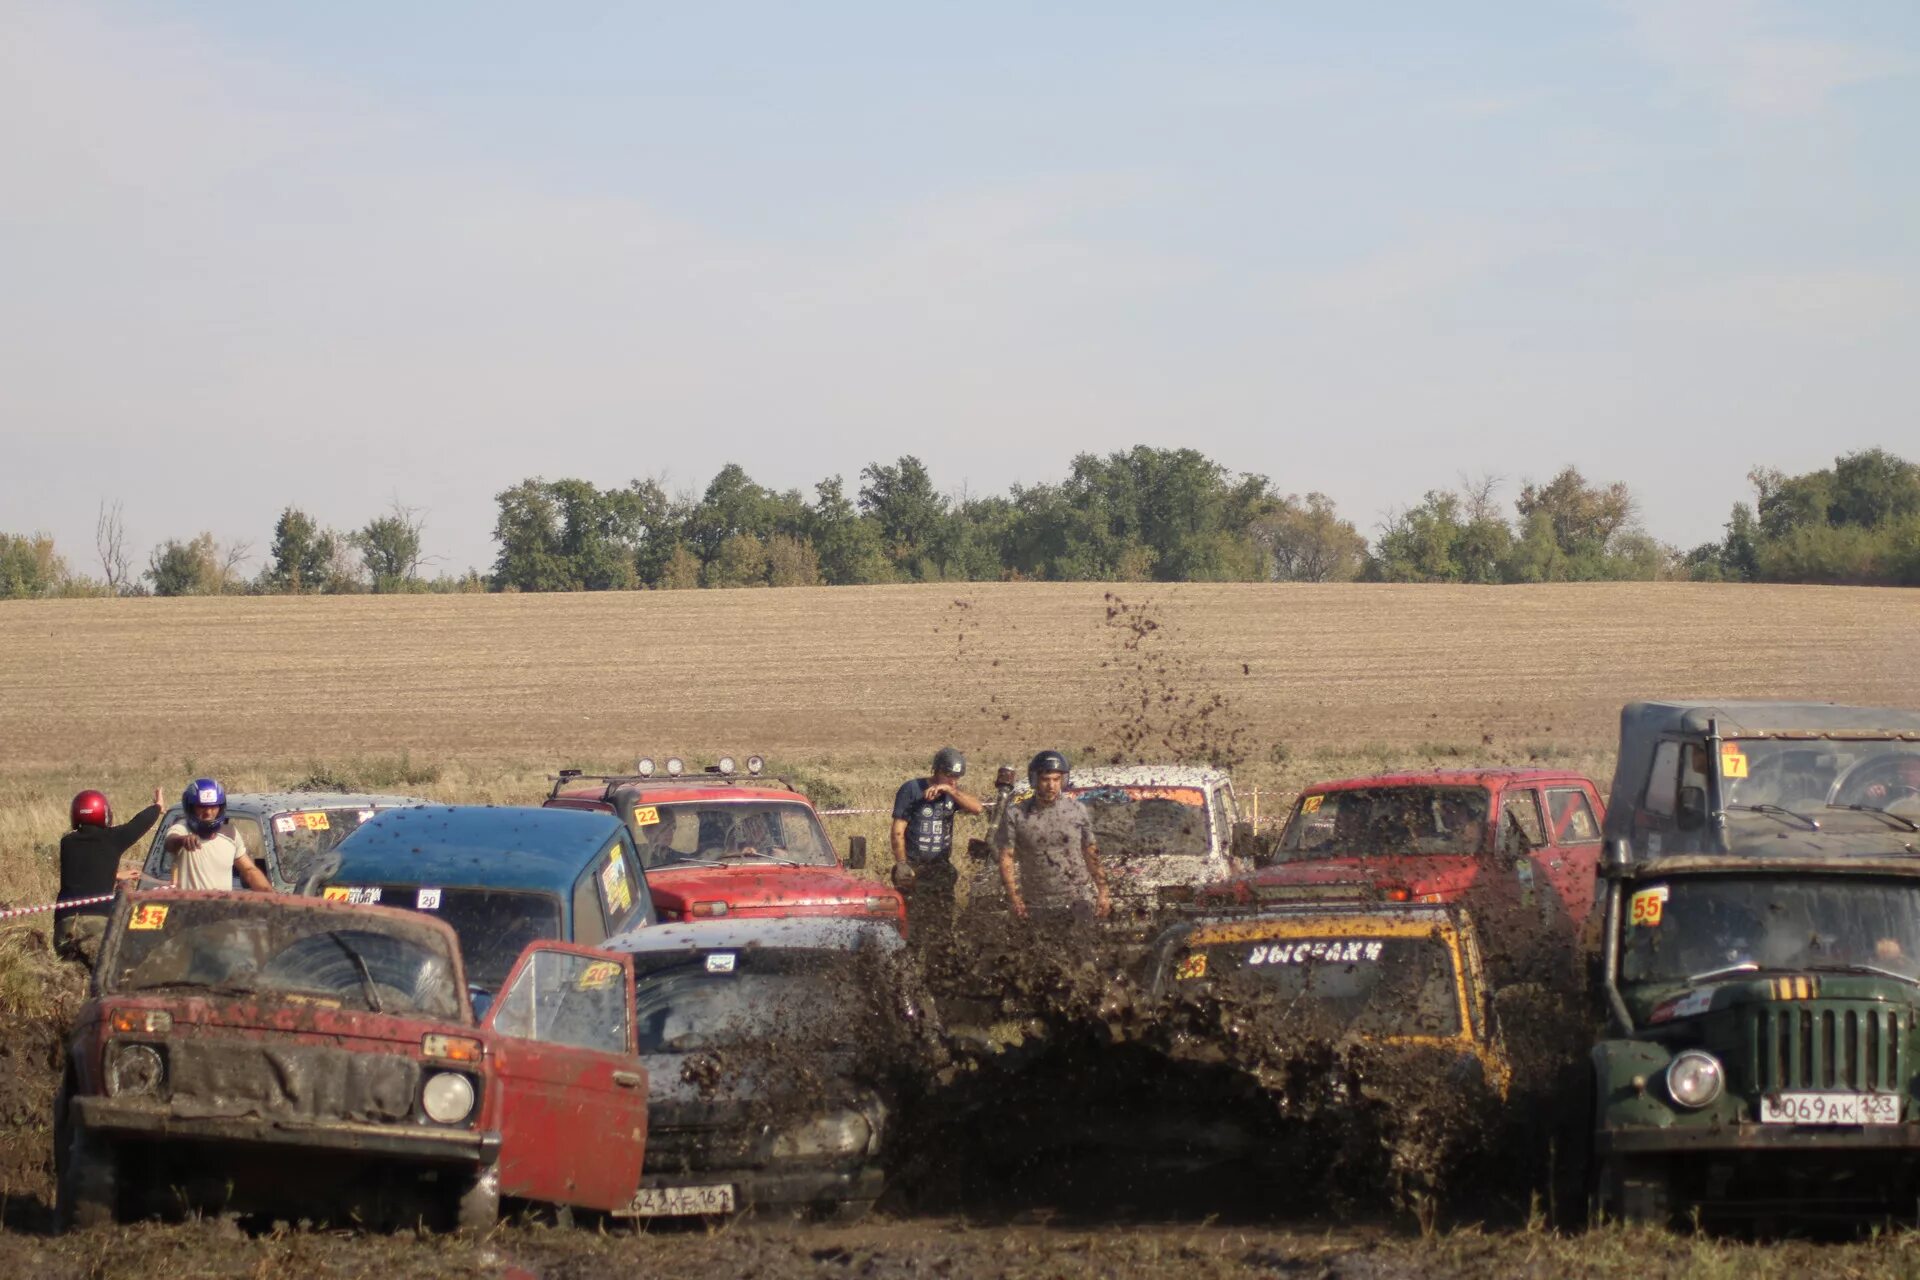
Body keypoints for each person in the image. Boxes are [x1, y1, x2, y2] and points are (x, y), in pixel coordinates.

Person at [995, 750, 1111, 923]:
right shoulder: (1016, 814)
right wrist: (1014, 898)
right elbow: (1006, 858)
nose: (1051, 786)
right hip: (1035, 905)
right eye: (1045, 780)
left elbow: (1090, 852)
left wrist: (1103, 891)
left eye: (1056, 780)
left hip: (1077, 902)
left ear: (1063, 780)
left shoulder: (1077, 810)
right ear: (1035, 780)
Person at [54, 786, 167, 965]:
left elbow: (84, 870)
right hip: (96, 920)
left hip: (65, 922)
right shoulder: (113, 839)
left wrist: (115, 874)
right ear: (104, 814)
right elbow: (138, 823)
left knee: (68, 979)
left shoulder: (67, 842)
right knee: (101, 975)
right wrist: (157, 807)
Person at [891, 747, 985, 938]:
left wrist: (950, 789)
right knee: (911, 924)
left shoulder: (952, 792)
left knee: (941, 925)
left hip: (940, 869)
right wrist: (901, 864)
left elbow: (977, 808)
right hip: (914, 868)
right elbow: (897, 830)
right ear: (936, 770)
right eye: (948, 775)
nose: (953, 780)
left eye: (956, 777)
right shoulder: (912, 789)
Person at [165, 778, 273, 892]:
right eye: (202, 807)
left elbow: (249, 871)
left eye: (213, 807)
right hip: (191, 908)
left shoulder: (230, 834)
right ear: (191, 808)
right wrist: (183, 841)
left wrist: (273, 899)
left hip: (222, 908)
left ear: (220, 807)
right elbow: (170, 843)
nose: (208, 813)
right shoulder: (182, 828)